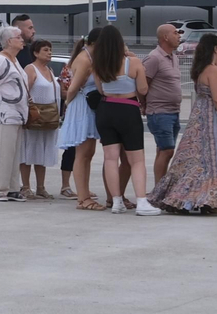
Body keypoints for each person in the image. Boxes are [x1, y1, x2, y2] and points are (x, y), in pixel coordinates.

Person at [147, 33, 217, 216]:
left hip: (199, 117)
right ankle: (216, 200)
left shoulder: (201, 69)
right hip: (213, 118)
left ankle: (190, 198)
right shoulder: (213, 70)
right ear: (215, 49)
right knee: (216, 159)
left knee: (196, 158)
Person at [90, 26, 158, 215]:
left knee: (110, 158)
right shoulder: (133, 62)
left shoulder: (98, 65)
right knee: (136, 160)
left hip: (105, 109)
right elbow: (143, 90)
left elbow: (101, 90)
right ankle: (142, 201)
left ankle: (116, 201)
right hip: (128, 109)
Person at [0, 25, 29, 201]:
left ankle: (11, 187)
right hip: (4, 113)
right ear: (9, 41)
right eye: (19, 37)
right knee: (3, 152)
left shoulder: (13, 60)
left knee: (13, 153)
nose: (22, 39)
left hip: (16, 114)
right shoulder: (1, 60)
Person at [60, 28, 105, 210]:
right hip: (82, 105)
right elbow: (72, 88)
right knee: (82, 153)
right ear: (94, 43)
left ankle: (84, 194)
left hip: (85, 105)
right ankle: (83, 198)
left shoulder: (90, 58)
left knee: (88, 153)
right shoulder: (85, 59)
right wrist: (68, 104)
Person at [19, 39, 60, 199]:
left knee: (41, 151)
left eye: (50, 49)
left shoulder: (49, 70)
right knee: (28, 148)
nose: (49, 52)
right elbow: (24, 91)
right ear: (36, 53)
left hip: (49, 115)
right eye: (45, 50)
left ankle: (41, 186)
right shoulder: (31, 69)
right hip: (35, 114)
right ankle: (26, 186)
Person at [143, 24, 183, 182]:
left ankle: (160, 187)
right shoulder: (154, 57)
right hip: (159, 112)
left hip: (173, 111)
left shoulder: (173, 57)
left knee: (164, 150)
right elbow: (142, 84)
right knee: (167, 150)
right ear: (165, 37)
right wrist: (143, 103)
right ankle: (159, 189)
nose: (179, 35)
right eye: (175, 33)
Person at [57, 35, 87, 198]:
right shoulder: (69, 67)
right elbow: (63, 90)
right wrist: (73, 93)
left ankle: (82, 186)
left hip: (87, 110)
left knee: (85, 150)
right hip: (73, 110)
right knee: (71, 149)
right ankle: (65, 185)